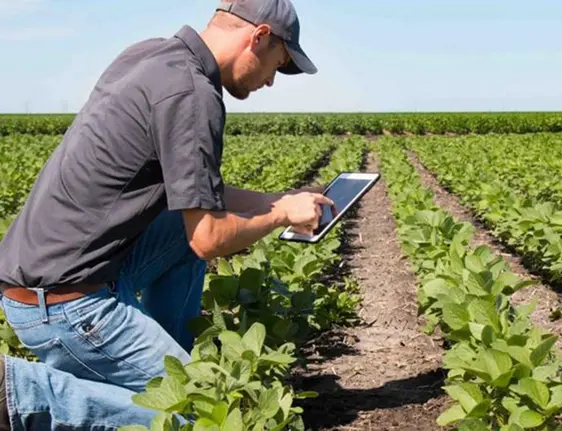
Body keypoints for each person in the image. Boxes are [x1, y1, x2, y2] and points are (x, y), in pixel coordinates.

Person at [0, 0, 332, 428]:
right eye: (278, 63)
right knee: (206, 408)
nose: (270, 82)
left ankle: (160, 362)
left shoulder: (153, 55)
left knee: (181, 223)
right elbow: (209, 237)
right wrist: (282, 216)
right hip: (67, 305)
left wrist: (276, 198)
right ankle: (19, 389)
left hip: (50, 277)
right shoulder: (194, 95)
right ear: (260, 36)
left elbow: (200, 198)